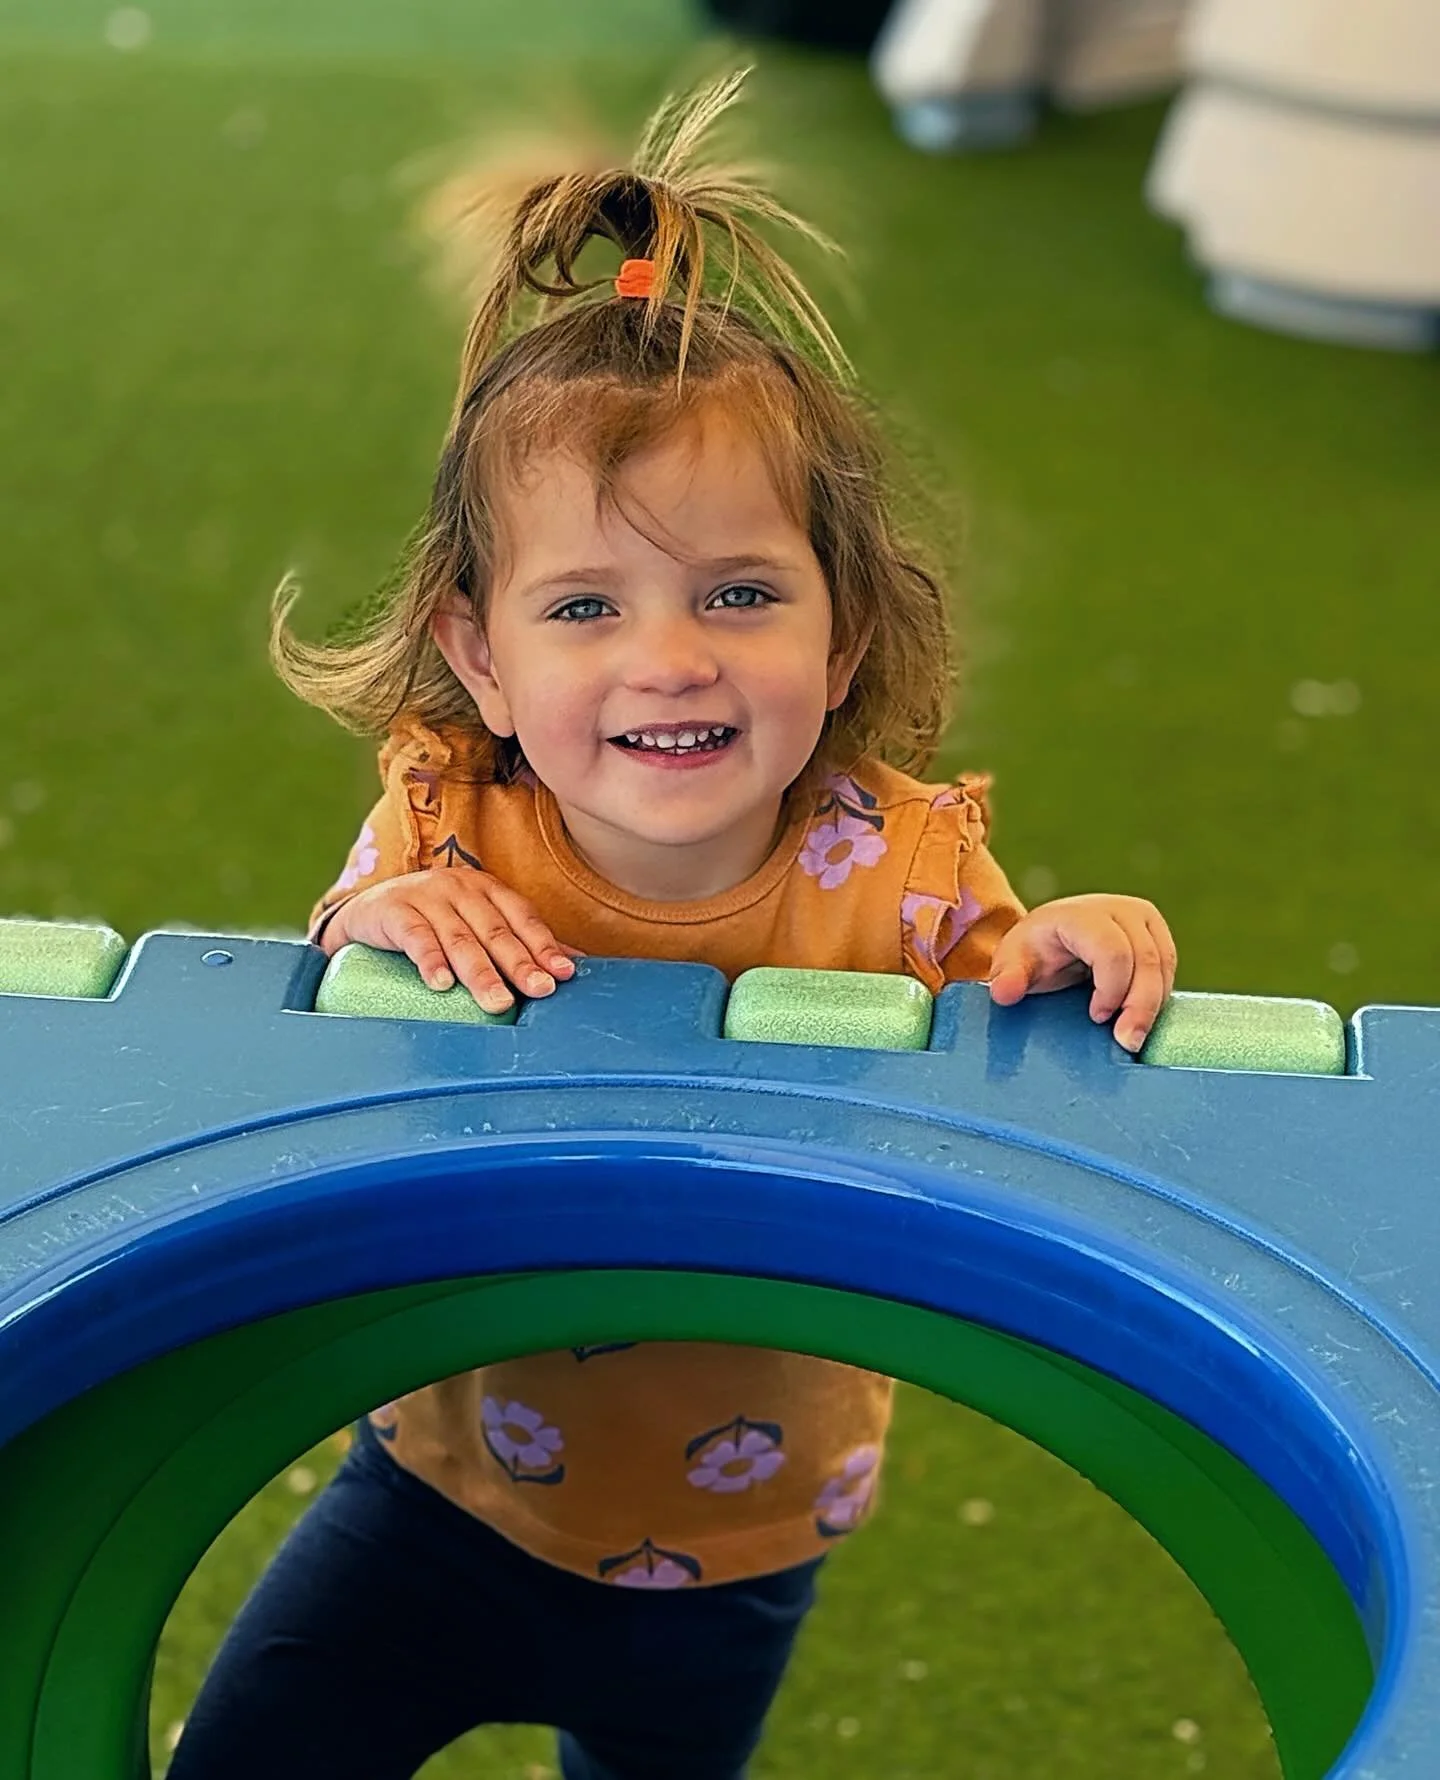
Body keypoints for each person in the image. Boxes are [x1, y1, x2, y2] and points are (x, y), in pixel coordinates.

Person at [168, 70, 1176, 1780]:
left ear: (843, 639)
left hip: (745, 1537)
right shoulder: (449, 814)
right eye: (585, 606)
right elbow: (335, 987)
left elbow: (1016, 1006)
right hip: (438, 1490)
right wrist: (376, 918)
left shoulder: (904, 863)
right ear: (483, 658)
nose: (672, 657)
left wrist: (1080, 940)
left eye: (740, 593)